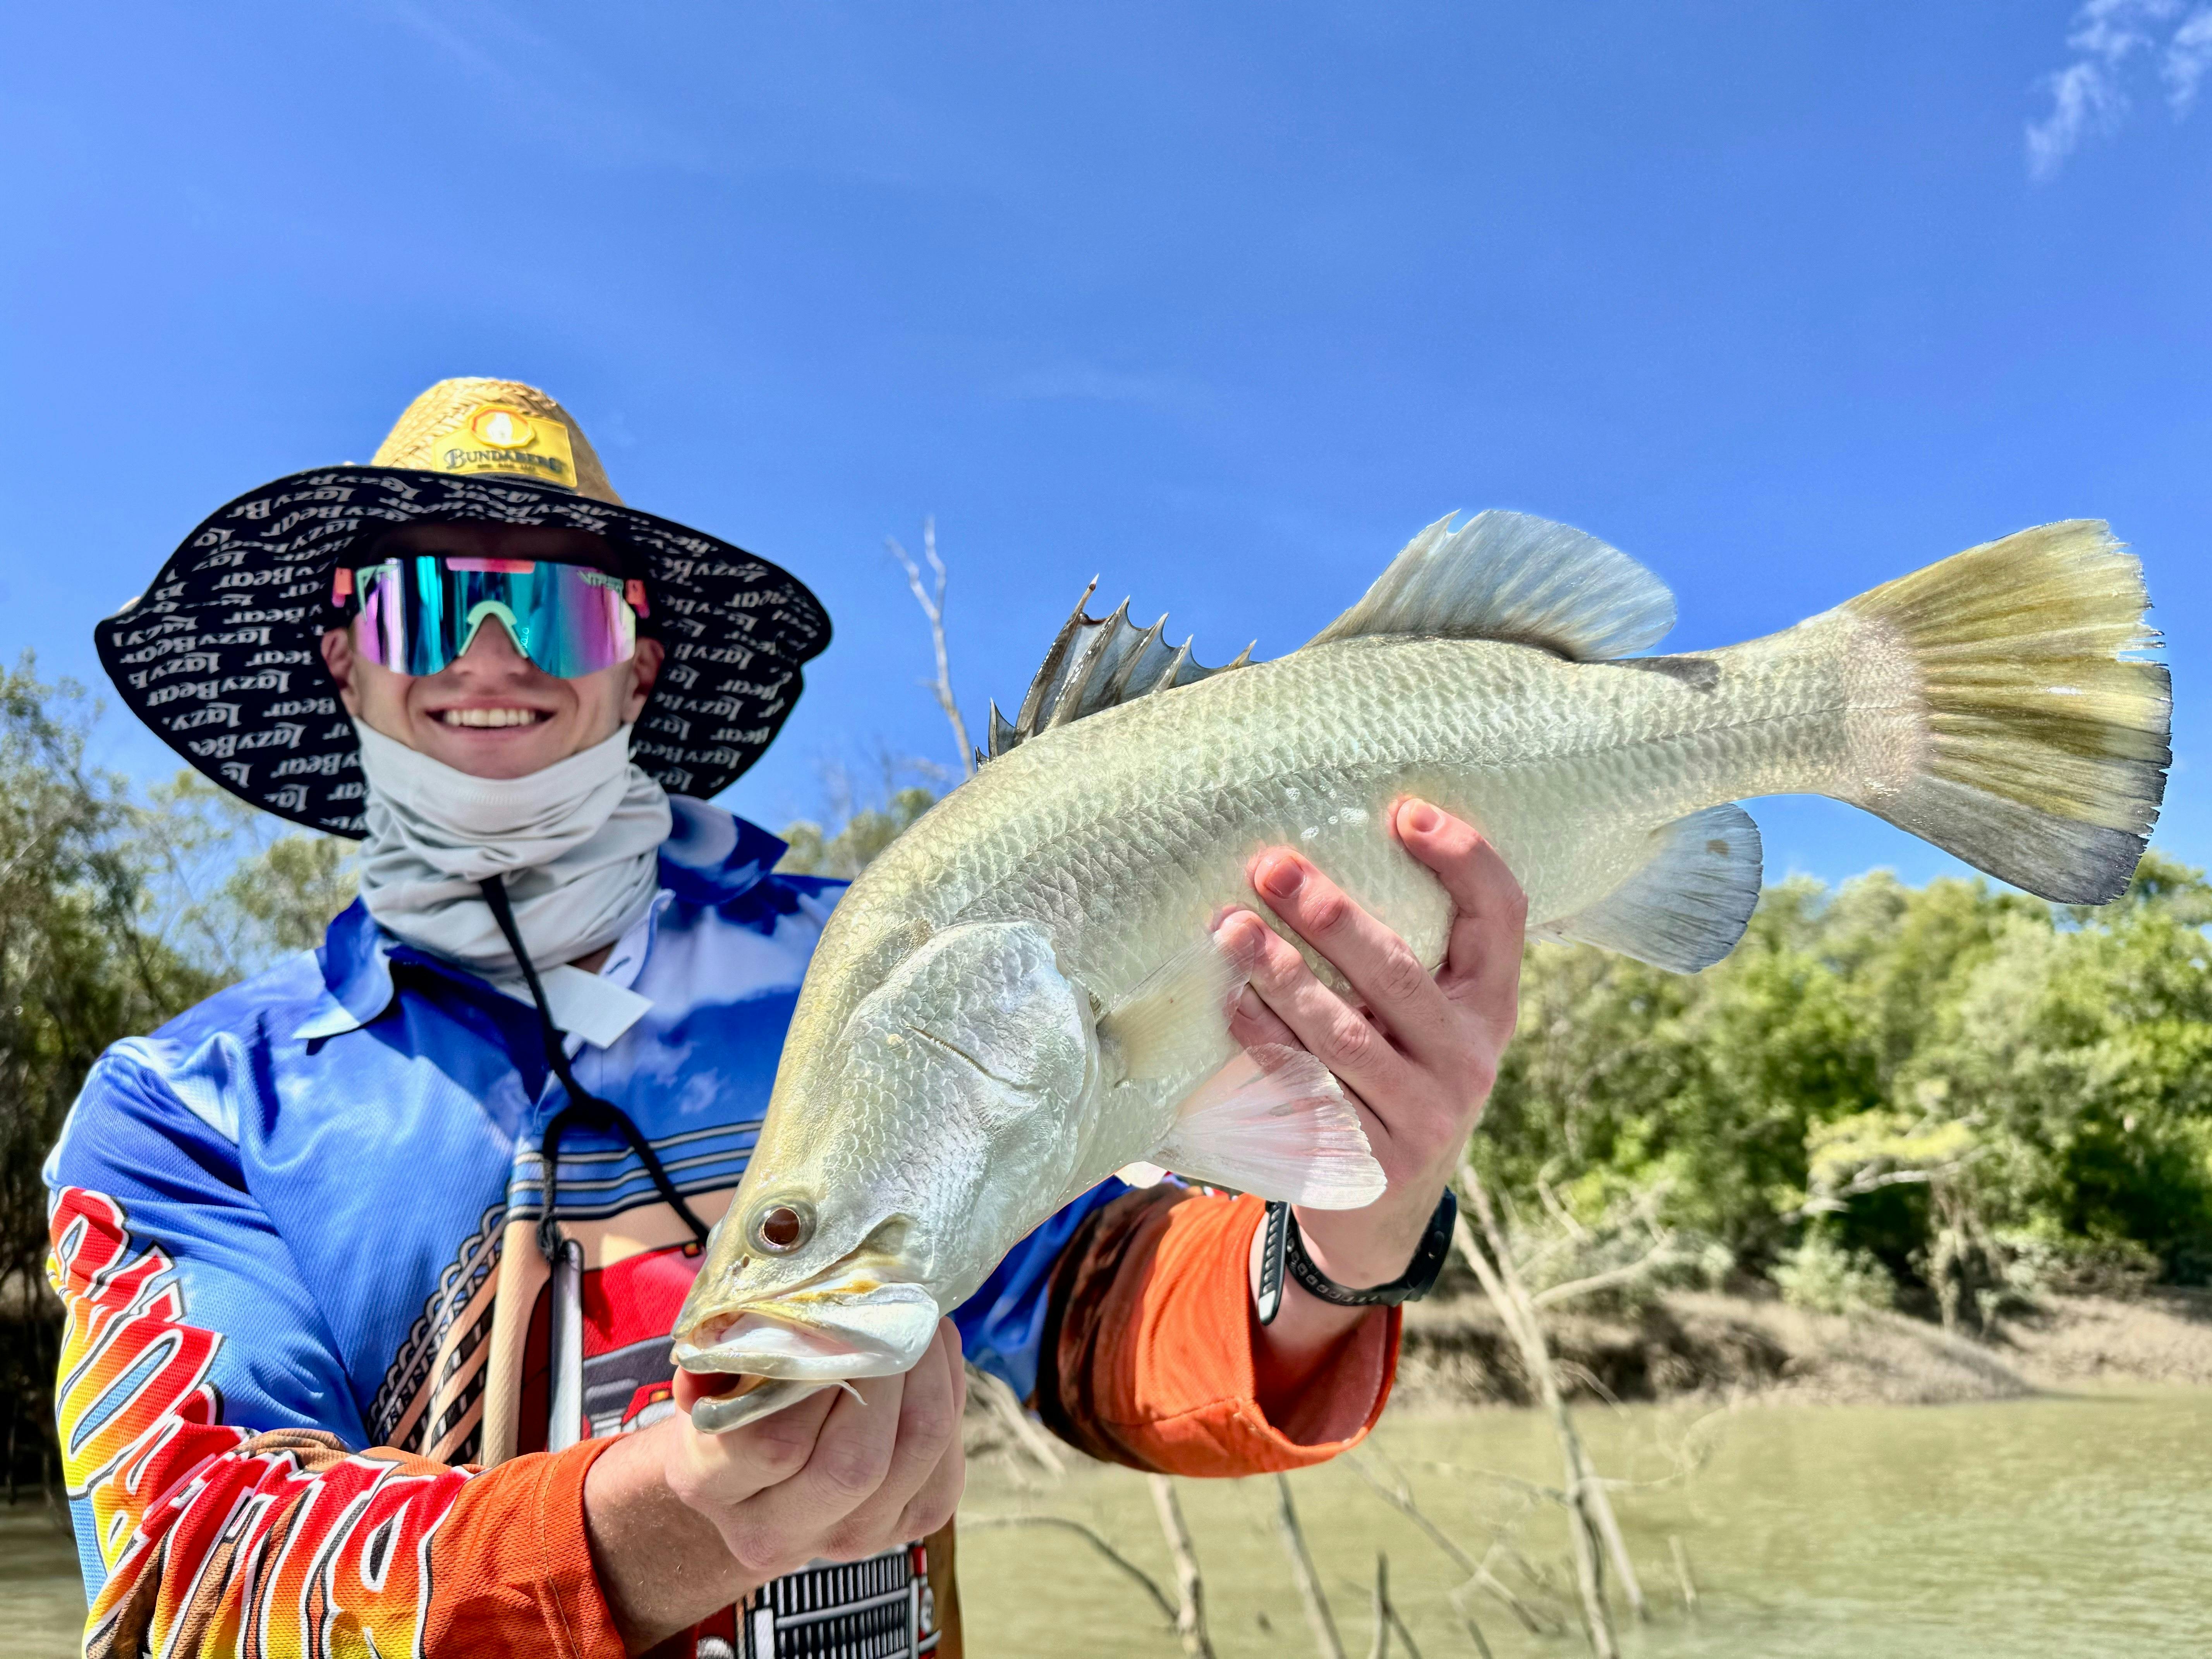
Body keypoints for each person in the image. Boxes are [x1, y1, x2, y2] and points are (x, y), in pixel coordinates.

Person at [49, 379, 1525, 1657]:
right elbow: (178, 1575)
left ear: (639, 658)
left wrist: (1352, 1236)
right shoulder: (185, 1107)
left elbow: (1089, 1308)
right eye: (423, 601)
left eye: (552, 603)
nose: (488, 653)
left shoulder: (872, 967)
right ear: (342, 658)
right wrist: (645, 1536)